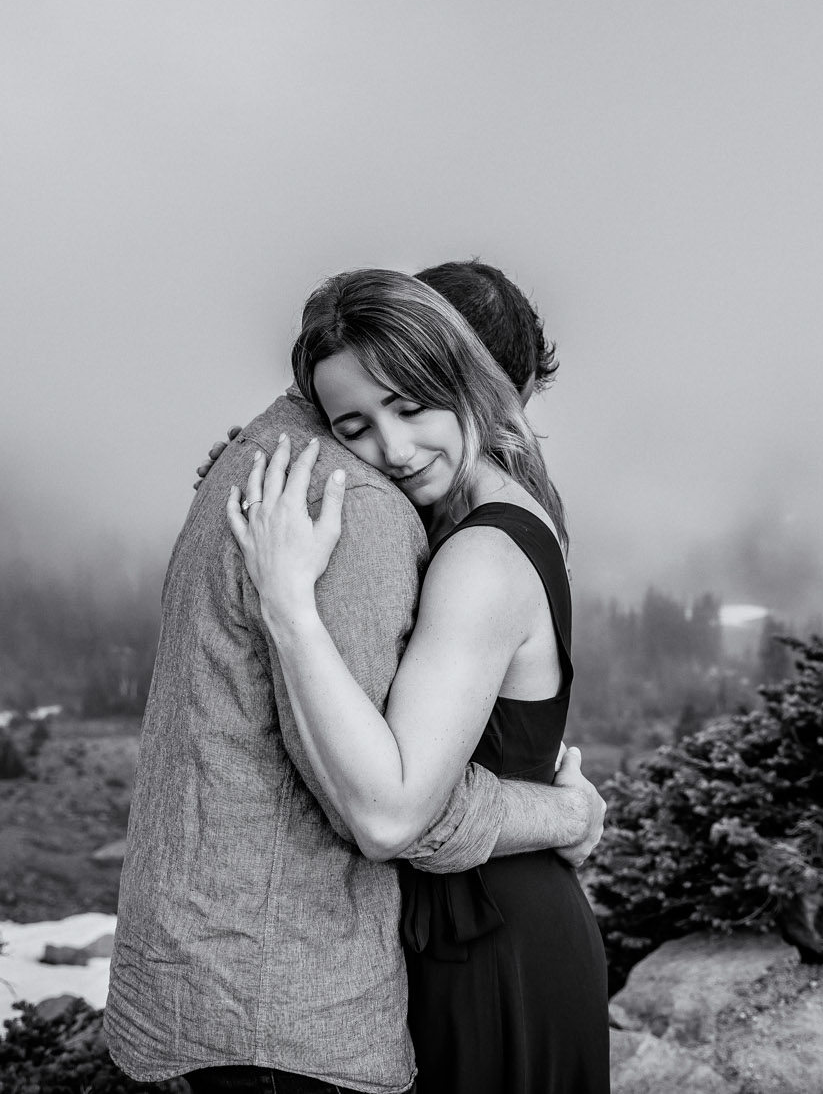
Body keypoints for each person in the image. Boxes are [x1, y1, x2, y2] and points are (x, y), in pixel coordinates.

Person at [105, 263, 604, 1094]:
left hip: (490, 933)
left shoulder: (465, 549)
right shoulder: (416, 515)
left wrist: (290, 604)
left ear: (468, 381)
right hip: (443, 929)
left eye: (410, 405)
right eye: (358, 421)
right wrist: (562, 809)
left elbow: (388, 810)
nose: (393, 448)